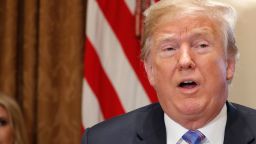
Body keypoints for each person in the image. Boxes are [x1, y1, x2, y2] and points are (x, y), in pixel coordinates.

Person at [82, 0, 256, 144]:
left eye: (201, 45)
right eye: (169, 48)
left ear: (229, 64)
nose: (185, 61)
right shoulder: (103, 140)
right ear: (150, 70)